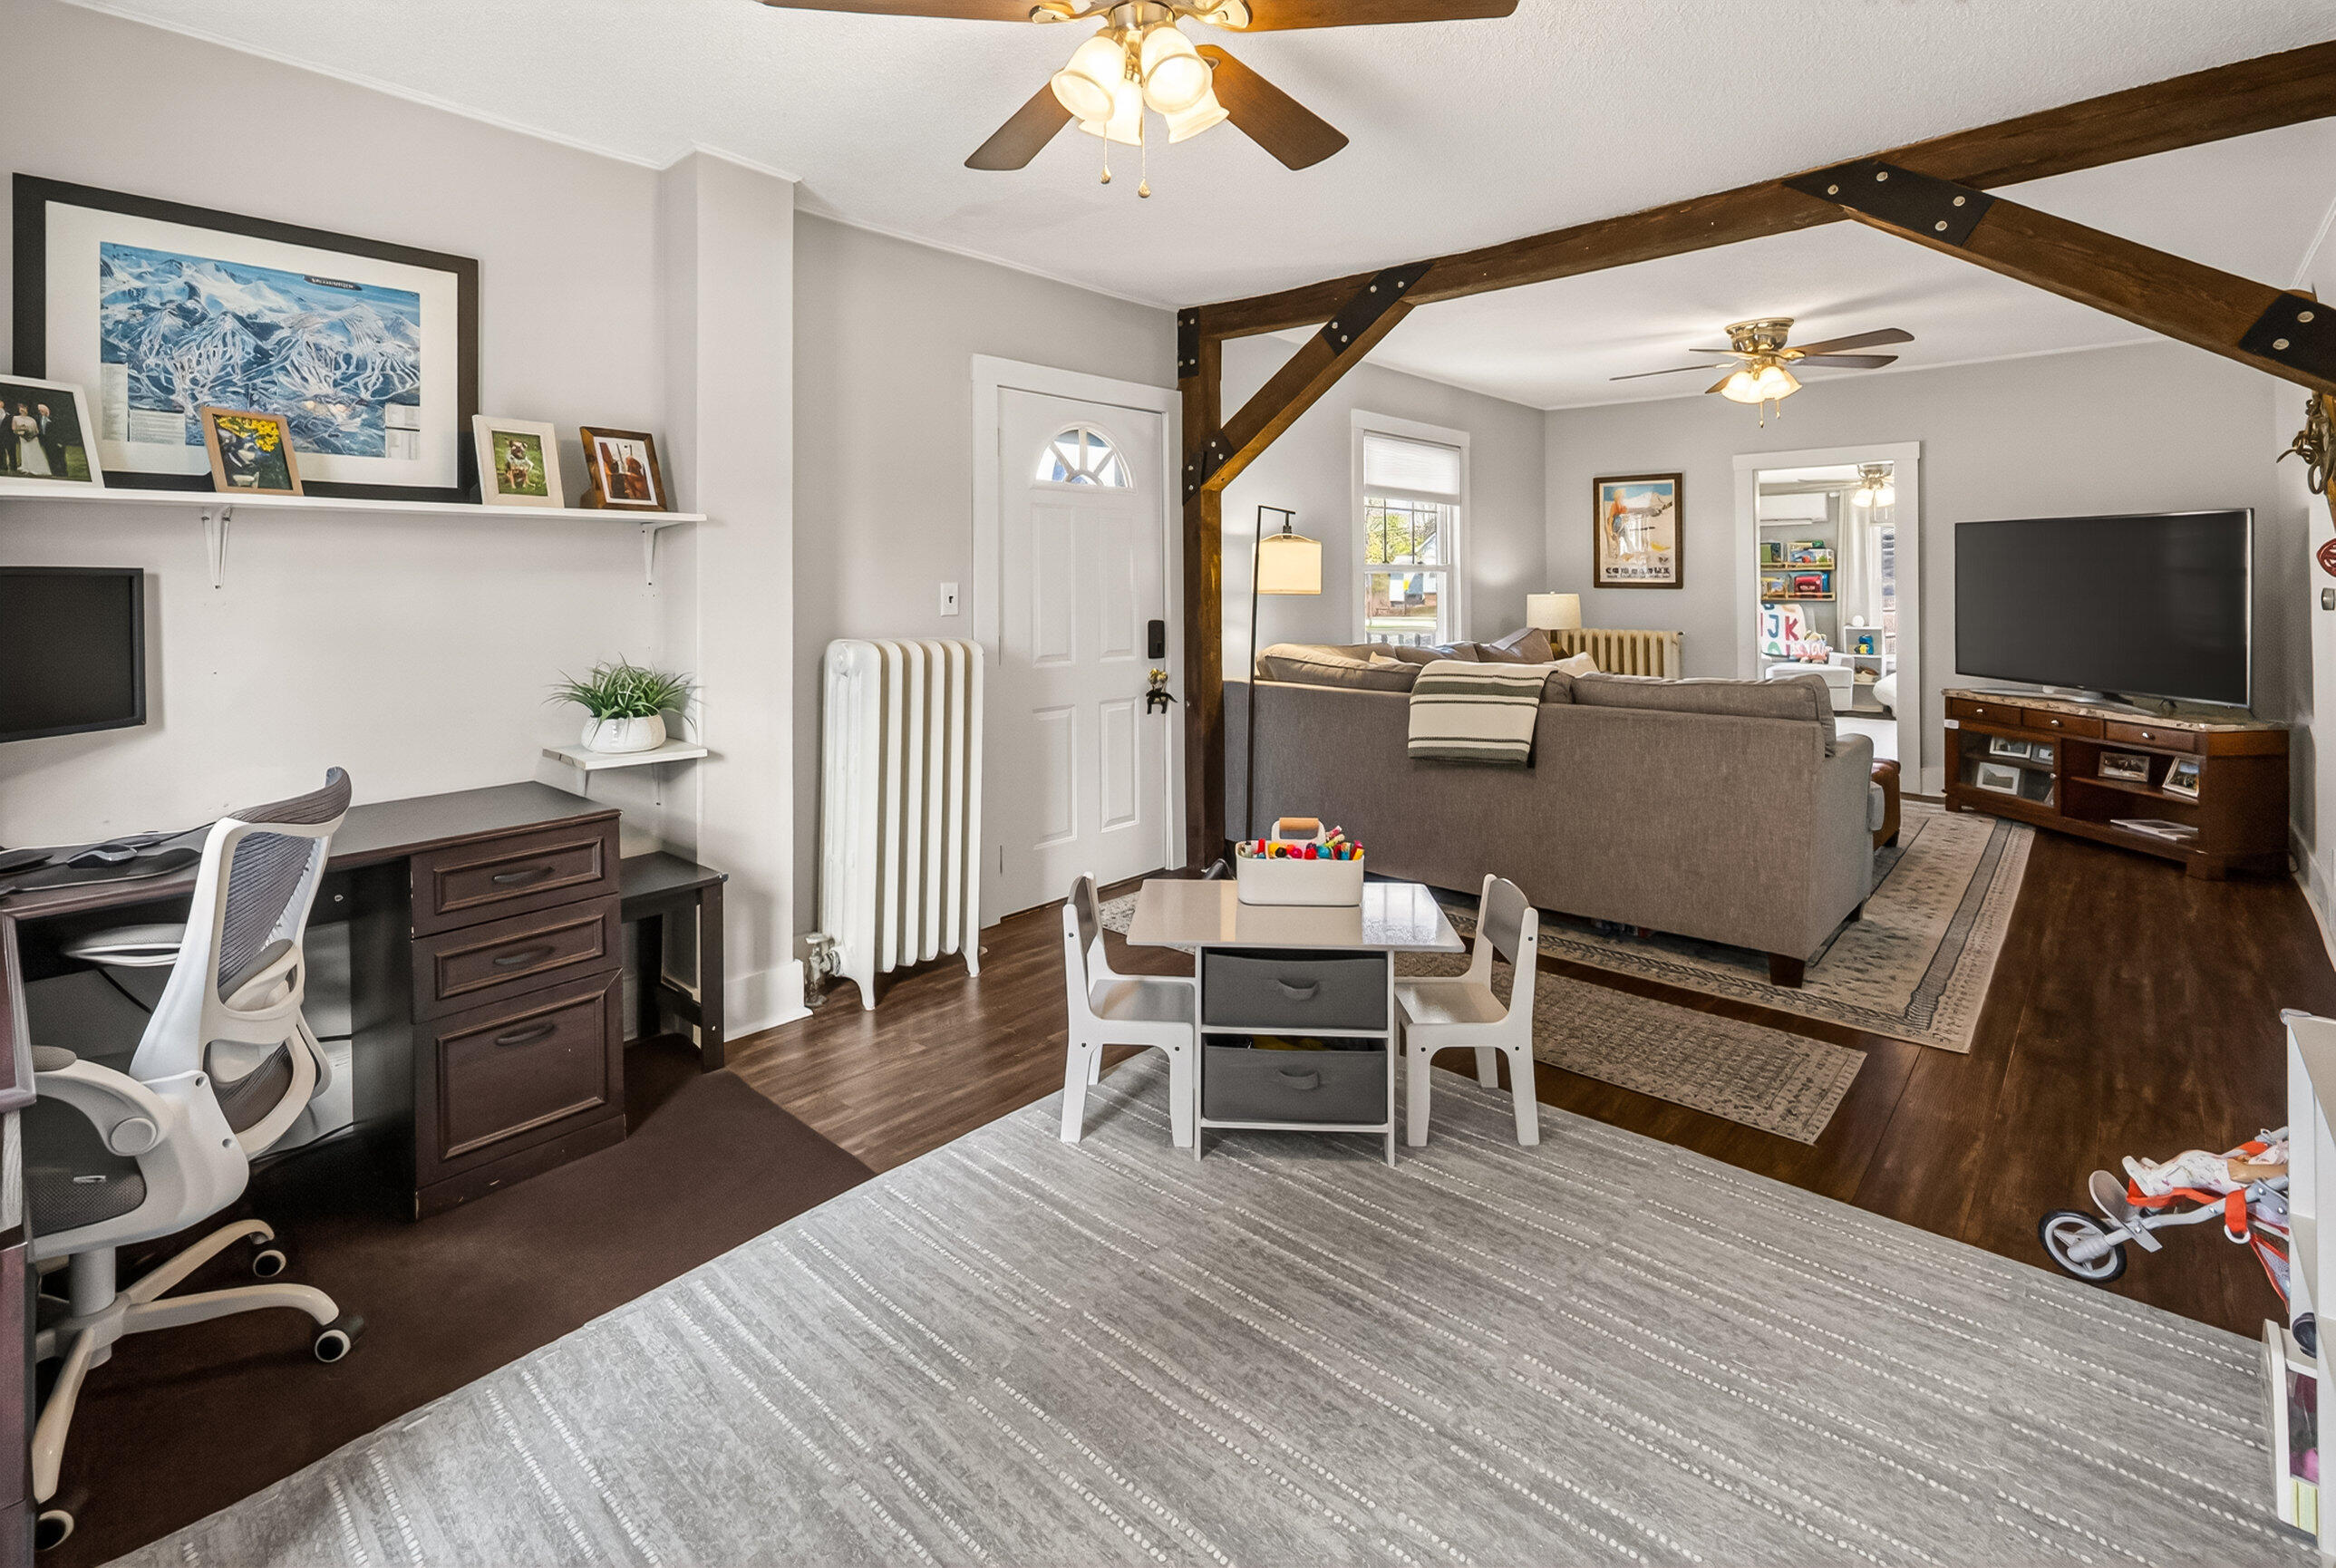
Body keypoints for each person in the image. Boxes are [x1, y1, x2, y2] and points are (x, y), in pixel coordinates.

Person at [9, 405, 49, 477]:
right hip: (23, 439)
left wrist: (31, 434)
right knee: (26, 453)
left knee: (35, 453)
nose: (23, 410)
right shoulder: (16, 418)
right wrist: (21, 432)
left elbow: (36, 430)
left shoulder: (31, 419)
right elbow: (14, 429)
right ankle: (27, 467)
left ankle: (36, 468)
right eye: (21, 408)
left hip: (33, 439)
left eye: (24, 408)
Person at [34, 404, 66, 479]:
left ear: (46, 412)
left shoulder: (53, 419)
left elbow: (59, 431)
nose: (41, 413)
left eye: (42, 411)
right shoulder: (38, 420)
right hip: (45, 442)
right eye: (39, 411)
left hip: (54, 442)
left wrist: (60, 442)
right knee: (49, 457)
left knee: (58, 458)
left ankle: (63, 473)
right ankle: (53, 472)